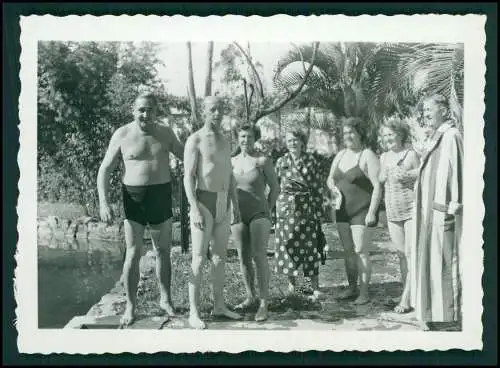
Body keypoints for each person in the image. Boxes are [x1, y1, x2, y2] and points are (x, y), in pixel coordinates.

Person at [97, 92, 184, 326]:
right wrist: (103, 202)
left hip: (160, 197)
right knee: (133, 252)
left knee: (163, 251)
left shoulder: (165, 133)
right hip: (133, 199)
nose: (145, 114)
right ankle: (131, 306)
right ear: (133, 111)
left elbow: (186, 155)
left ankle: (165, 299)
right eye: (141, 110)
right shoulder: (123, 134)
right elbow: (104, 169)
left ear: (156, 111)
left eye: (150, 110)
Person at [183, 96, 243, 329]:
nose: (217, 114)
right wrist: (194, 208)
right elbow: (188, 176)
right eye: (213, 110)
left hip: (223, 203)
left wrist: (235, 205)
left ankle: (219, 305)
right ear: (203, 111)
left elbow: (229, 175)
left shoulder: (225, 140)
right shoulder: (195, 140)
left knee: (219, 258)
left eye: (221, 110)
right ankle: (193, 312)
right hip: (203, 202)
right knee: (198, 259)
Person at [410, 94, 463, 331]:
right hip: (428, 213)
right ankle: (432, 313)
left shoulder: (451, 136)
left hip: (444, 213)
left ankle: (449, 317)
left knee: (444, 264)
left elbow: (459, 171)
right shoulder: (436, 138)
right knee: (429, 264)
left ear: (444, 109)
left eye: (430, 109)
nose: (426, 114)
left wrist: (455, 206)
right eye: (424, 110)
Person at [326, 117, 382, 305]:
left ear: (360, 134)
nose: (348, 136)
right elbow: (330, 179)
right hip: (341, 210)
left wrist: (372, 212)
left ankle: (364, 293)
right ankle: (352, 288)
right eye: (345, 132)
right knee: (348, 251)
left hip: (361, 210)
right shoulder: (340, 155)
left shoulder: (367, 155)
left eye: (351, 132)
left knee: (360, 250)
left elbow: (377, 186)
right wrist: (332, 188)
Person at [231, 123, 280, 322]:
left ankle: (263, 303)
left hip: (259, 213)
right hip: (238, 215)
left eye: (249, 137)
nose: (245, 140)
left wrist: (268, 209)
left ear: (255, 138)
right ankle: (250, 296)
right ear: (238, 138)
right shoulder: (231, 161)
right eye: (242, 136)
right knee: (243, 257)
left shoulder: (262, 161)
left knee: (259, 256)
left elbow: (275, 187)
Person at [274, 129, 326, 301]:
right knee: (287, 246)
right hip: (286, 209)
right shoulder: (281, 162)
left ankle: (315, 287)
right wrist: (275, 210)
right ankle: (292, 285)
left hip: (306, 208)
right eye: (289, 140)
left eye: (296, 140)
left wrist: (318, 212)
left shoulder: (310, 161)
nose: (293, 143)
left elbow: (318, 187)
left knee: (310, 246)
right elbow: (275, 187)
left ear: (302, 142)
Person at [379, 119, 420, 313]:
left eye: (391, 134)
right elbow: (379, 181)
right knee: (401, 255)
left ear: (401, 134)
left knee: (411, 255)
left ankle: (405, 300)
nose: (387, 138)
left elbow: (422, 174)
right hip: (392, 211)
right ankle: (408, 292)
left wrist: (411, 174)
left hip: (411, 209)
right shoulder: (383, 157)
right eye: (385, 135)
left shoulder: (411, 154)